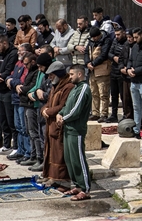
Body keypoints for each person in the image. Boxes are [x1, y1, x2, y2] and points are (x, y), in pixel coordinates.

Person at [57, 64, 93, 201]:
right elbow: (67, 106)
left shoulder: (84, 88)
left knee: (79, 159)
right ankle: (77, 185)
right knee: (70, 159)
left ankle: (85, 189)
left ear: (79, 74)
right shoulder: (74, 89)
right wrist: (60, 114)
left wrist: (64, 119)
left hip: (76, 129)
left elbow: (76, 110)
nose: (69, 77)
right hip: (68, 128)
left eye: (72, 74)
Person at [41, 61, 74, 189]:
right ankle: (53, 178)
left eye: (51, 75)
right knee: (51, 152)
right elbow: (49, 102)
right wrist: (44, 109)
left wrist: (47, 111)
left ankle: (63, 181)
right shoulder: (56, 86)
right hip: (51, 125)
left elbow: (63, 106)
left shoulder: (68, 87)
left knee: (60, 154)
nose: (49, 78)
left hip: (59, 126)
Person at [24, 52, 53, 171]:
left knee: (45, 139)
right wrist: (36, 93)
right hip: (40, 108)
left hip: (46, 109)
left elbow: (50, 93)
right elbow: (39, 88)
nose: (39, 69)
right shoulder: (43, 74)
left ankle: (45, 162)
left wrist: (41, 94)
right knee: (39, 136)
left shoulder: (51, 75)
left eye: (41, 66)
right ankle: (39, 159)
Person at [123, 28, 142, 138]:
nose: (135, 39)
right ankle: (136, 129)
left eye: (137, 37)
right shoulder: (135, 47)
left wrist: (136, 71)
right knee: (136, 107)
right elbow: (130, 60)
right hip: (134, 81)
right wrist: (129, 69)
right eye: (134, 37)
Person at [84, 27, 112, 122]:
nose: (94, 39)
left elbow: (104, 55)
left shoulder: (106, 40)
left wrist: (93, 63)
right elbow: (86, 52)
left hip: (102, 70)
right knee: (93, 93)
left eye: (95, 37)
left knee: (103, 94)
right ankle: (95, 113)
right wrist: (87, 62)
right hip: (92, 71)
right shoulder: (91, 41)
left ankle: (104, 113)